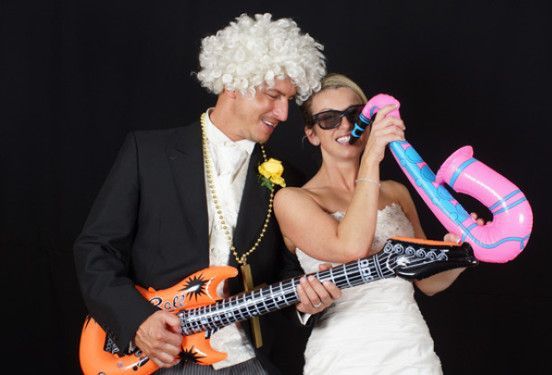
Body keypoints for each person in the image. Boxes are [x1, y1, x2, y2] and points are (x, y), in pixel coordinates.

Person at [73, 13, 341, 375]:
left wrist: (306, 301)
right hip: (160, 357)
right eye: (273, 96)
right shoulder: (147, 153)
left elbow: (287, 271)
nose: (282, 113)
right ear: (233, 83)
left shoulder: (288, 177)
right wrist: (138, 321)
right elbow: (96, 249)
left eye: (289, 100)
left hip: (248, 361)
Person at [273, 73, 477, 374]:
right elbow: (351, 247)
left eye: (354, 115)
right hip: (344, 356)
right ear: (312, 133)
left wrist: (460, 254)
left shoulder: (396, 192)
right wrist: (371, 159)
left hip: (412, 351)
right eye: (328, 119)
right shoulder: (293, 200)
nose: (344, 126)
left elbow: (428, 283)